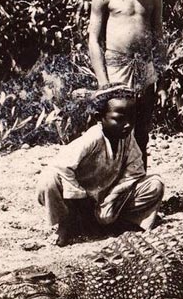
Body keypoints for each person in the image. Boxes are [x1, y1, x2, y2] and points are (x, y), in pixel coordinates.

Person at [37, 86, 165, 246]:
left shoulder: (127, 139)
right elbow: (61, 167)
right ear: (100, 117)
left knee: (154, 184)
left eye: (132, 119)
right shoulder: (92, 138)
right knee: (49, 179)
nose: (127, 125)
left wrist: (111, 199)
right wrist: (80, 196)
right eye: (119, 119)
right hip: (78, 200)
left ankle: (120, 224)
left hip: (106, 196)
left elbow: (134, 172)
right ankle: (66, 225)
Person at [88, 0, 165, 167]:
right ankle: (111, 184)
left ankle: (138, 183)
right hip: (115, 72)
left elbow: (159, 40)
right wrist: (103, 81)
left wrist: (161, 81)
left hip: (144, 72)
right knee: (114, 128)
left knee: (141, 131)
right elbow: (94, 39)